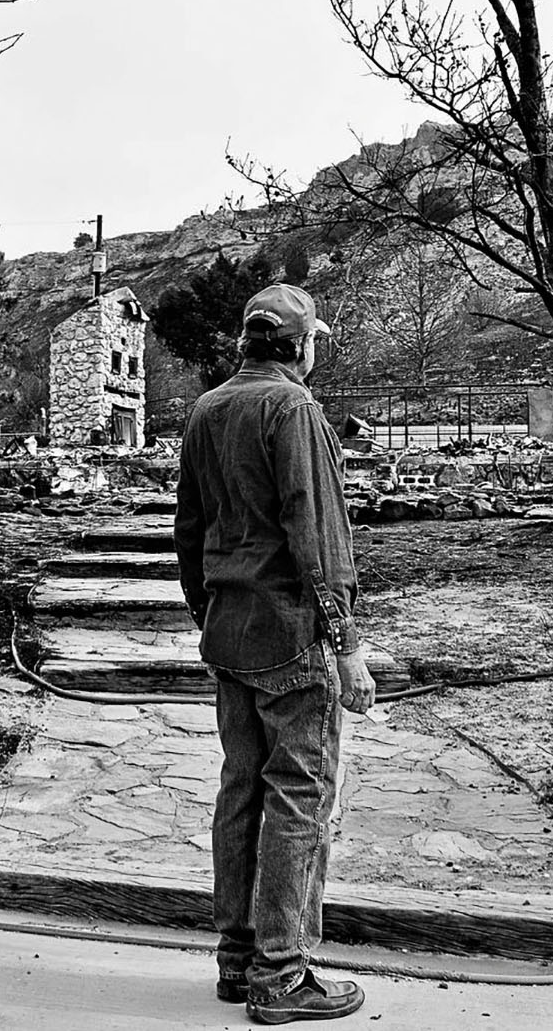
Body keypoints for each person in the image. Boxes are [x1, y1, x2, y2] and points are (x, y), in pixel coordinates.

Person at [174, 282, 376, 1025]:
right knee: (297, 798)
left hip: (230, 629)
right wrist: (346, 643)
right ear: (300, 346)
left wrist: (210, 610)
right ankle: (284, 976)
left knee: (241, 792)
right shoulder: (294, 410)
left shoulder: (207, 410)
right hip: (289, 633)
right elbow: (319, 540)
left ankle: (237, 963)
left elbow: (188, 533)